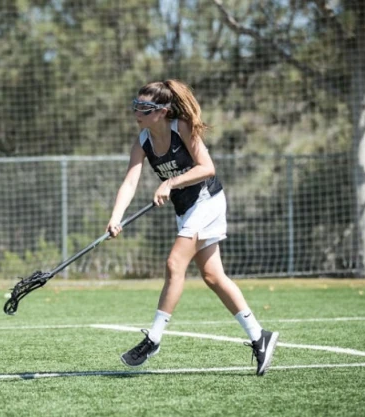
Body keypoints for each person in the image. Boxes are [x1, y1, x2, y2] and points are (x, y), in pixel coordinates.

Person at [105, 79, 278, 376]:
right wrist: (116, 216)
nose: (137, 113)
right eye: (136, 106)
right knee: (212, 276)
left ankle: (154, 338)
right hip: (186, 209)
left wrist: (170, 182)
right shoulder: (143, 141)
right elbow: (130, 181)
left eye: (144, 108)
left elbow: (207, 167)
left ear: (162, 111)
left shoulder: (181, 128)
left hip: (207, 200)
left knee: (174, 263)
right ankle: (259, 335)